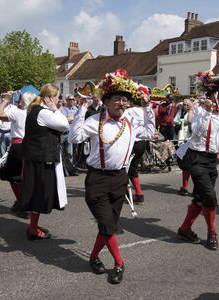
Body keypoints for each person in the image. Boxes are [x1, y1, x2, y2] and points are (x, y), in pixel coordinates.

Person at [69, 69, 155, 284]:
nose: (122, 103)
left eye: (125, 99)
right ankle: (119, 262)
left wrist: (147, 108)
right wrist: (82, 109)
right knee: (107, 224)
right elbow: (74, 136)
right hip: (97, 179)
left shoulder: (130, 123)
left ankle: (94, 256)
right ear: (107, 101)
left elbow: (149, 131)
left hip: (120, 178)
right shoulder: (94, 121)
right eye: (117, 99)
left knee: (108, 225)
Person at [176, 74, 219, 251]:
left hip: (211, 160)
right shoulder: (200, 109)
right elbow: (195, 130)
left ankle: (184, 229)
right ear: (214, 94)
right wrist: (206, 111)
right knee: (210, 197)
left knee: (200, 198)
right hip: (196, 157)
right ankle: (212, 232)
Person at [18, 84, 69, 241]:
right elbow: (64, 125)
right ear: (49, 98)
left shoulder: (37, 110)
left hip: (39, 158)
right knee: (39, 194)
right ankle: (33, 229)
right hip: (41, 159)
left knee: (38, 193)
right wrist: (56, 109)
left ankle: (33, 226)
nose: (58, 100)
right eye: (56, 97)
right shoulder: (44, 112)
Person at [0, 90, 35, 219]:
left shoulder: (18, 112)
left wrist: (6, 101)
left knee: (14, 177)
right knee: (25, 177)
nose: (19, 101)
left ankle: (22, 205)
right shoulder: (35, 114)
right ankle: (23, 203)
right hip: (31, 147)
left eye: (21, 99)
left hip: (18, 146)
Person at [125, 84, 153, 205]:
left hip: (130, 143)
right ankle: (138, 194)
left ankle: (129, 193)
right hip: (141, 143)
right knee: (133, 168)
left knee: (124, 168)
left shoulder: (127, 112)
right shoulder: (146, 111)